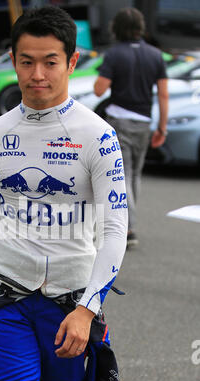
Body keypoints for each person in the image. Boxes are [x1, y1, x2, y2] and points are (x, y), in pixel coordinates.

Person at [0, 5, 127, 381]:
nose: (38, 73)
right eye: (27, 61)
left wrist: (87, 309)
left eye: (50, 61)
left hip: (71, 305)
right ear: (12, 60)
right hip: (6, 297)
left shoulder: (99, 135)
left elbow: (115, 229)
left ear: (71, 62)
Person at [94, 7, 169, 247]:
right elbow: (164, 95)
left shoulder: (114, 55)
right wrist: (162, 128)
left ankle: (127, 229)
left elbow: (98, 89)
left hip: (119, 121)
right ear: (140, 27)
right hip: (145, 122)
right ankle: (129, 225)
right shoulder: (156, 55)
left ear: (116, 28)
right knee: (135, 174)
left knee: (122, 175)